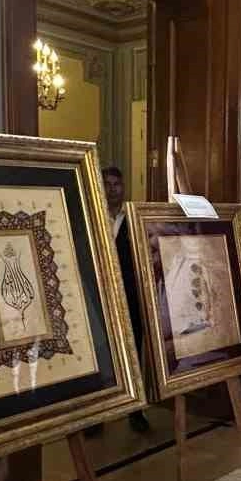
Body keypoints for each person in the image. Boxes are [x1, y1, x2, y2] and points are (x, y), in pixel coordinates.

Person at [93, 165, 149, 438]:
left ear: (123, 187)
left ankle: (135, 412)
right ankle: (97, 416)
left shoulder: (134, 219)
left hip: (131, 298)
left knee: (133, 354)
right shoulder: (92, 216)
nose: (112, 189)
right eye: (107, 184)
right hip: (99, 297)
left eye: (116, 184)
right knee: (100, 355)